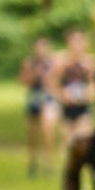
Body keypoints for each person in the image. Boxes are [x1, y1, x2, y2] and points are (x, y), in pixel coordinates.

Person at [19, 36, 59, 175]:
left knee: (47, 130)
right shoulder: (29, 63)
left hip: (48, 98)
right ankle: (33, 162)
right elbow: (22, 81)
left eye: (44, 47)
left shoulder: (54, 63)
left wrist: (51, 82)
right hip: (34, 98)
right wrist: (34, 75)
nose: (41, 50)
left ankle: (48, 163)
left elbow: (58, 81)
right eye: (38, 47)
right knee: (32, 134)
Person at [51, 28, 95, 143]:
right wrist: (61, 95)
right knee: (69, 140)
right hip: (66, 105)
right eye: (74, 41)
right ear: (68, 42)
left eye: (80, 41)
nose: (77, 45)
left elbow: (94, 82)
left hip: (83, 104)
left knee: (85, 136)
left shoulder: (90, 61)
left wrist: (90, 93)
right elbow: (52, 82)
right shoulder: (60, 60)